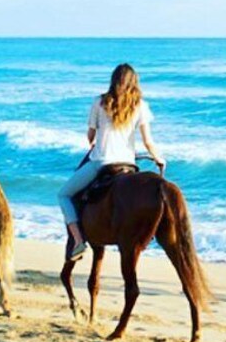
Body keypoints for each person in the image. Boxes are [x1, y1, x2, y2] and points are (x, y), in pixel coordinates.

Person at [58, 63, 165, 261]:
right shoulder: (140, 106)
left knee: (64, 194)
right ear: (134, 83)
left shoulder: (99, 102)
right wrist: (158, 158)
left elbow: (90, 136)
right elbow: (148, 141)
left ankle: (79, 241)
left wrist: (95, 140)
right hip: (128, 165)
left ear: (113, 80)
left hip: (101, 163)